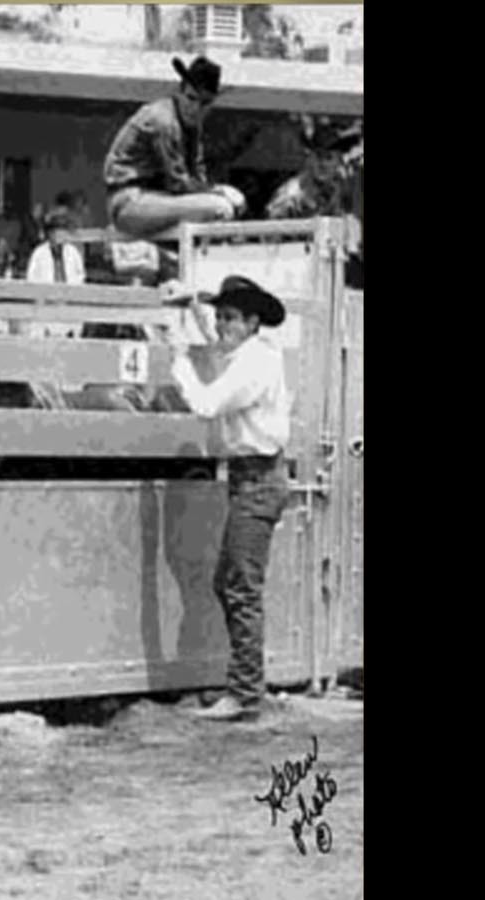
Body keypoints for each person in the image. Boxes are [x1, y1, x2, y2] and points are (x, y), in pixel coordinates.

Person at [169, 276, 293, 723]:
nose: (222, 325)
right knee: (231, 583)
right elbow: (218, 345)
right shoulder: (250, 354)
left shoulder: (253, 365)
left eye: (231, 318)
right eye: (220, 316)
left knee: (240, 587)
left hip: (258, 480)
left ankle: (245, 693)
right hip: (252, 479)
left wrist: (180, 359)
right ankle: (246, 682)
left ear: (252, 321)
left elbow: (205, 403)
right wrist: (192, 312)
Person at [103, 56, 247, 239]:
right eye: (191, 98)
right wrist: (217, 191)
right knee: (221, 208)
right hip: (130, 202)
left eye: (204, 103)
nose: (195, 108)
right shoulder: (164, 120)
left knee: (225, 207)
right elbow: (178, 183)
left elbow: (196, 175)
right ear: (180, 92)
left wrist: (212, 191)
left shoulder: (192, 126)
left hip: (157, 199)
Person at [25, 195, 87, 285]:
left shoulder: (73, 252)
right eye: (53, 232)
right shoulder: (39, 253)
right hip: (45, 296)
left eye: (60, 232)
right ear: (49, 234)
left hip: (70, 295)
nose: (57, 236)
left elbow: (81, 276)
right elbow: (31, 278)